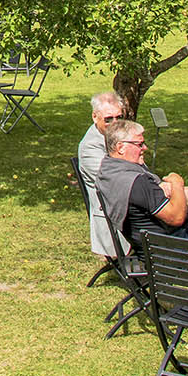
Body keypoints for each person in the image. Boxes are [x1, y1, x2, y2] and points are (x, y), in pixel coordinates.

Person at [95, 119, 188, 250]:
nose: (145, 148)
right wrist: (177, 183)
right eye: (139, 144)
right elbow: (176, 218)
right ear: (121, 147)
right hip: (173, 252)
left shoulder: (108, 171)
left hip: (151, 247)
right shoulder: (137, 182)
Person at [78, 92, 127, 259]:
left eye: (119, 118)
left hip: (131, 198)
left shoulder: (121, 138)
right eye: (108, 119)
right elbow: (116, 180)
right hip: (117, 211)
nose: (115, 124)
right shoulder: (90, 147)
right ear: (94, 117)